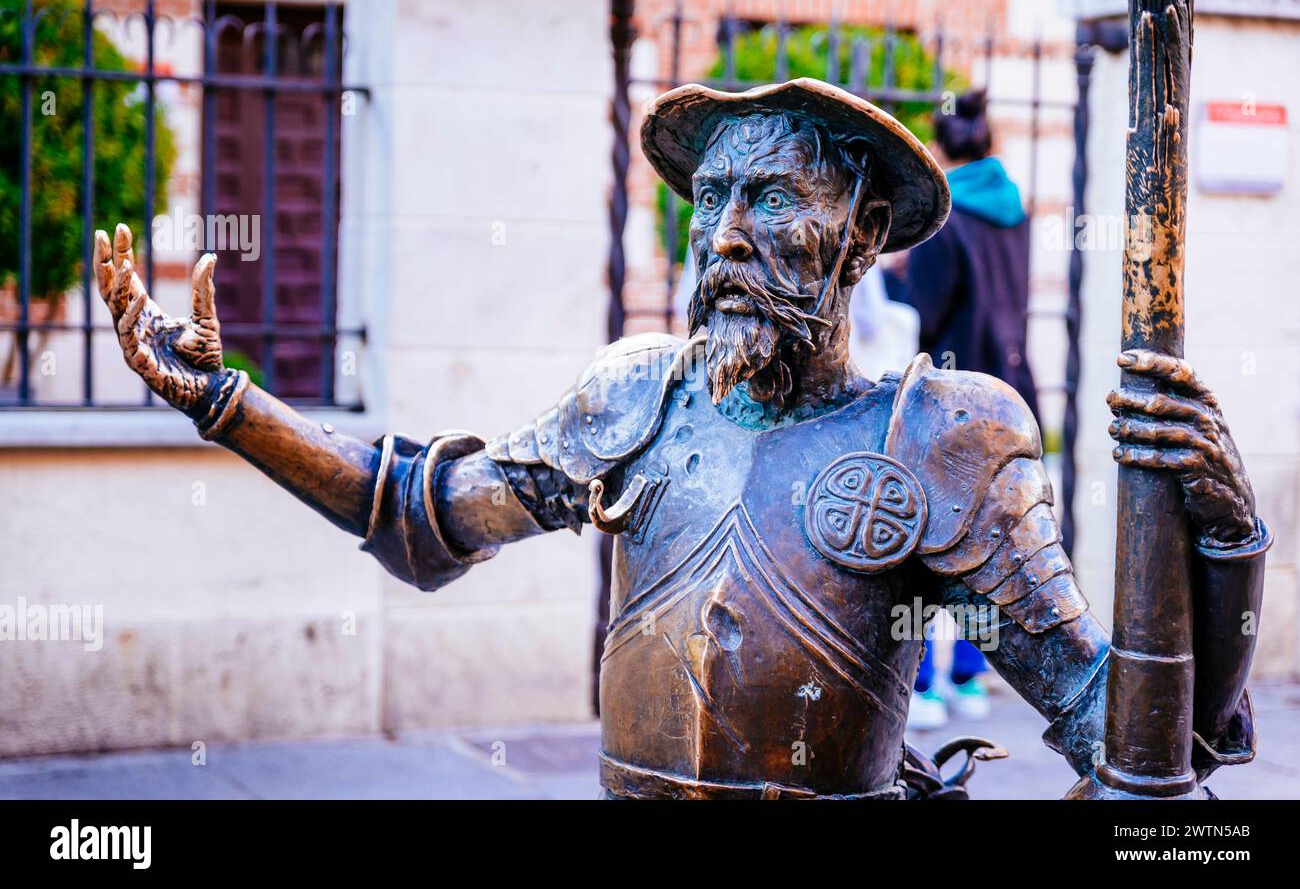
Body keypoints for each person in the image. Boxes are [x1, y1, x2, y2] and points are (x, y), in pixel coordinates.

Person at [95, 77, 1268, 799]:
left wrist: (1228, 539)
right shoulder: (635, 398)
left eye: (769, 199)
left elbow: (1132, 741)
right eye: (708, 201)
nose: (723, 238)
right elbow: (420, 516)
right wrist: (225, 403)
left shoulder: (939, 439)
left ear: (862, 231)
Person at [885, 90, 1035, 729]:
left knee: (925, 539)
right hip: (1009, 391)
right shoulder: (1015, 211)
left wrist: (886, 277)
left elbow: (922, 310)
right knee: (989, 541)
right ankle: (972, 676)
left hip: (951, 404)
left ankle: (923, 684)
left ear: (942, 149)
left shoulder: (948, 219)